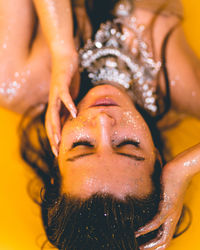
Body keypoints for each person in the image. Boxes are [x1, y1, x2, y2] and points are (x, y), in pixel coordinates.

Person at [1, 0, 200, 249]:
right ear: (156, 158)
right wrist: (180, 170)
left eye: (82, 145)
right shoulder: (174, 82)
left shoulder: (15, 81)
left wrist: (62, 48)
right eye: (129, 144)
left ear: (56, 162)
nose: (104, 122)